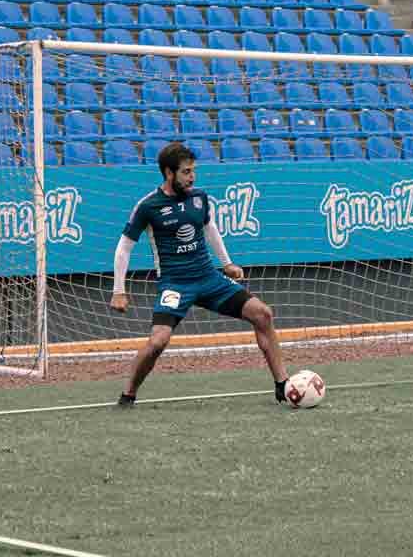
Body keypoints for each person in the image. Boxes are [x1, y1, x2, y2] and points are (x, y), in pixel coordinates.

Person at [110, 142, 289, 405]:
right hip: (175, 284)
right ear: (169, 173)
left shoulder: (200, 198)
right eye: (186, 172)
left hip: (209, 278)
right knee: (158, 342)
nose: (192, 176)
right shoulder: (148, 206)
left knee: (263, 314)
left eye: (193, 171)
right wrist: (118, 291)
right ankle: (128, 394)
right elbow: (124, 248)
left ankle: (282, 384)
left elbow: (210, 228)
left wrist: (226, 263)